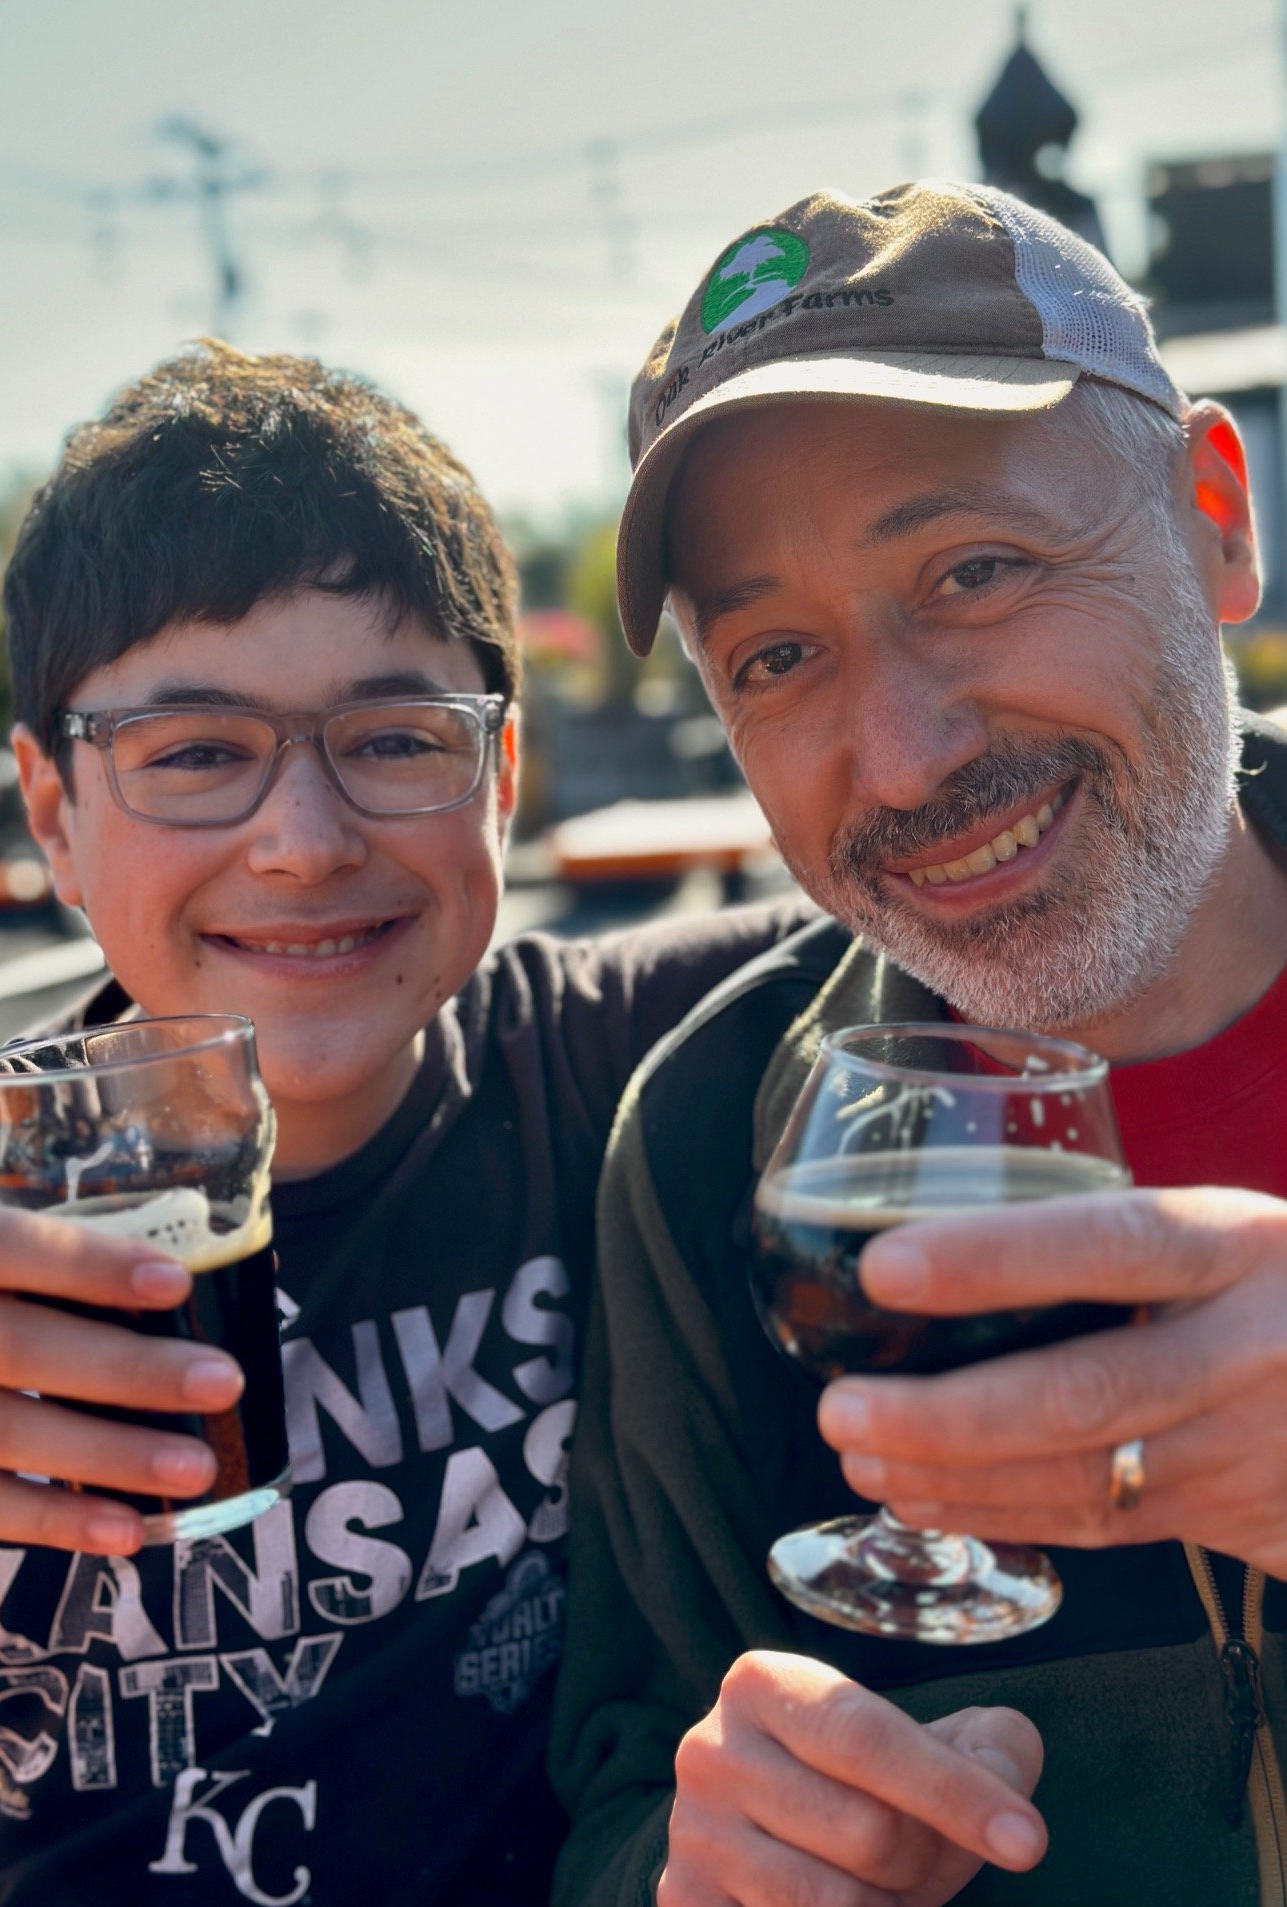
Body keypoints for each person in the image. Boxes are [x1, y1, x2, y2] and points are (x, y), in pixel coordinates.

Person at [0, 341, 806, 1907]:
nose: (302, 842)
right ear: (52, 816)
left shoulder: (619, 1056)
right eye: (193, 755)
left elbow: (967, 914)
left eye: (393, 740)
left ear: (499, 773)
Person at [550, 180, 1287, 1906]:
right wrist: (698, 1867)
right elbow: (620, 1787)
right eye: (775, 655)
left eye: (974, 570)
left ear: (1212, 518)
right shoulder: (712, 1140)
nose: (898, 756)